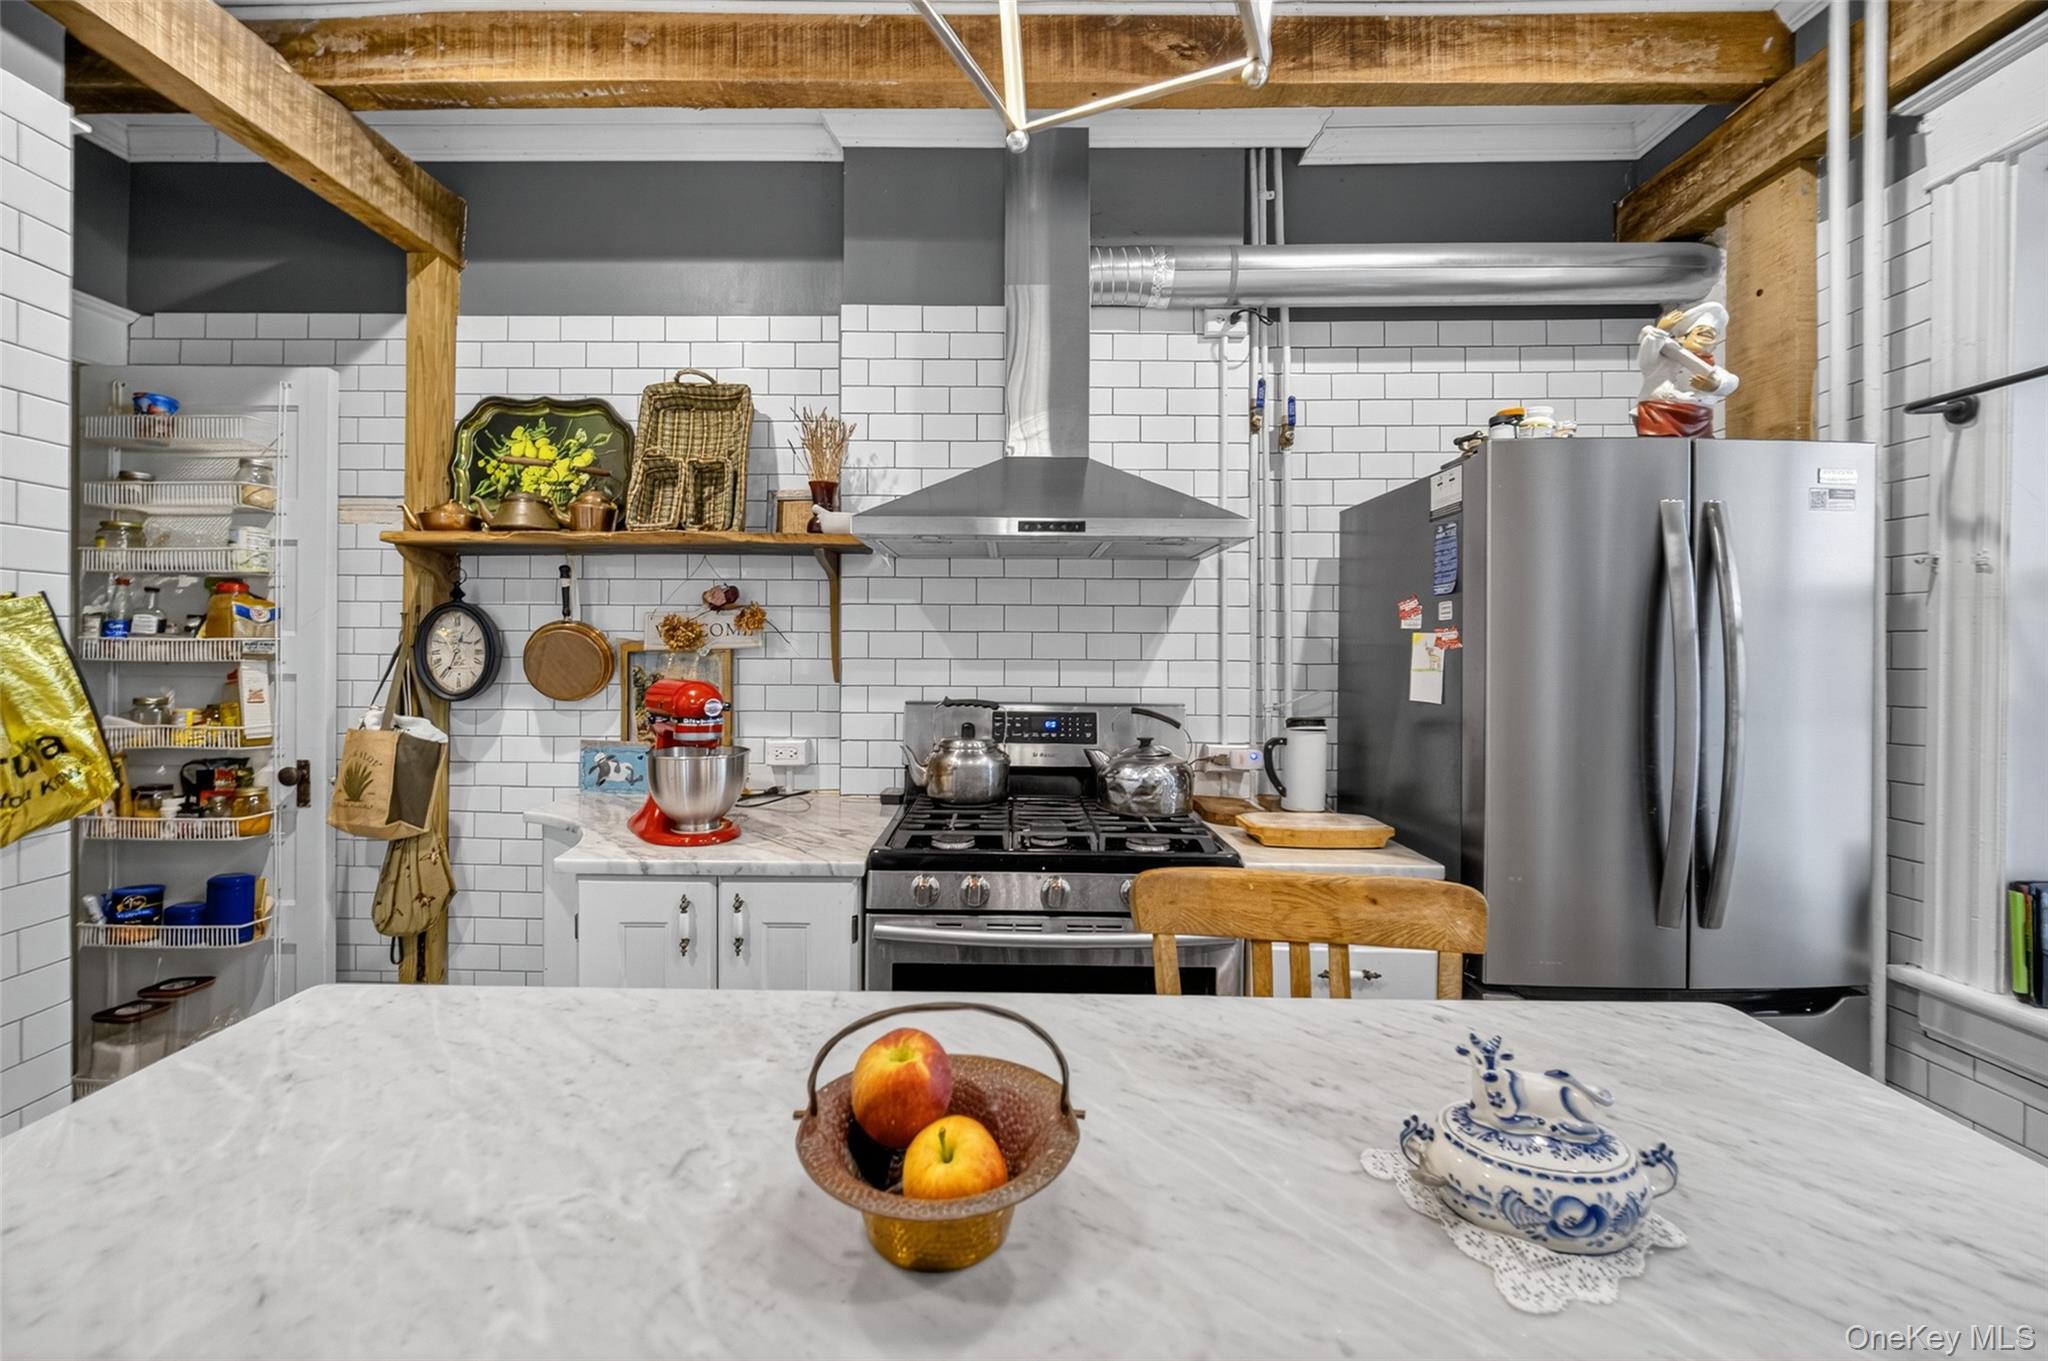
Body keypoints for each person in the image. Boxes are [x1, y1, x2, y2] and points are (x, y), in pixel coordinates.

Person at [1632, 301, 1738, 437]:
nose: (1706, 337)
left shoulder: (1715, 371)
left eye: (1710, 337)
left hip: (1698, 422)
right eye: (1700, 334)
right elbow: (1647, 354)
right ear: (1681, 339)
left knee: (1699, 448)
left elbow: (1732, 382)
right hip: (1657, 417)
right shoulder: (1659, 363)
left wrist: (1715, 385)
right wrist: (1659, 332)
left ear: (1714, 347)